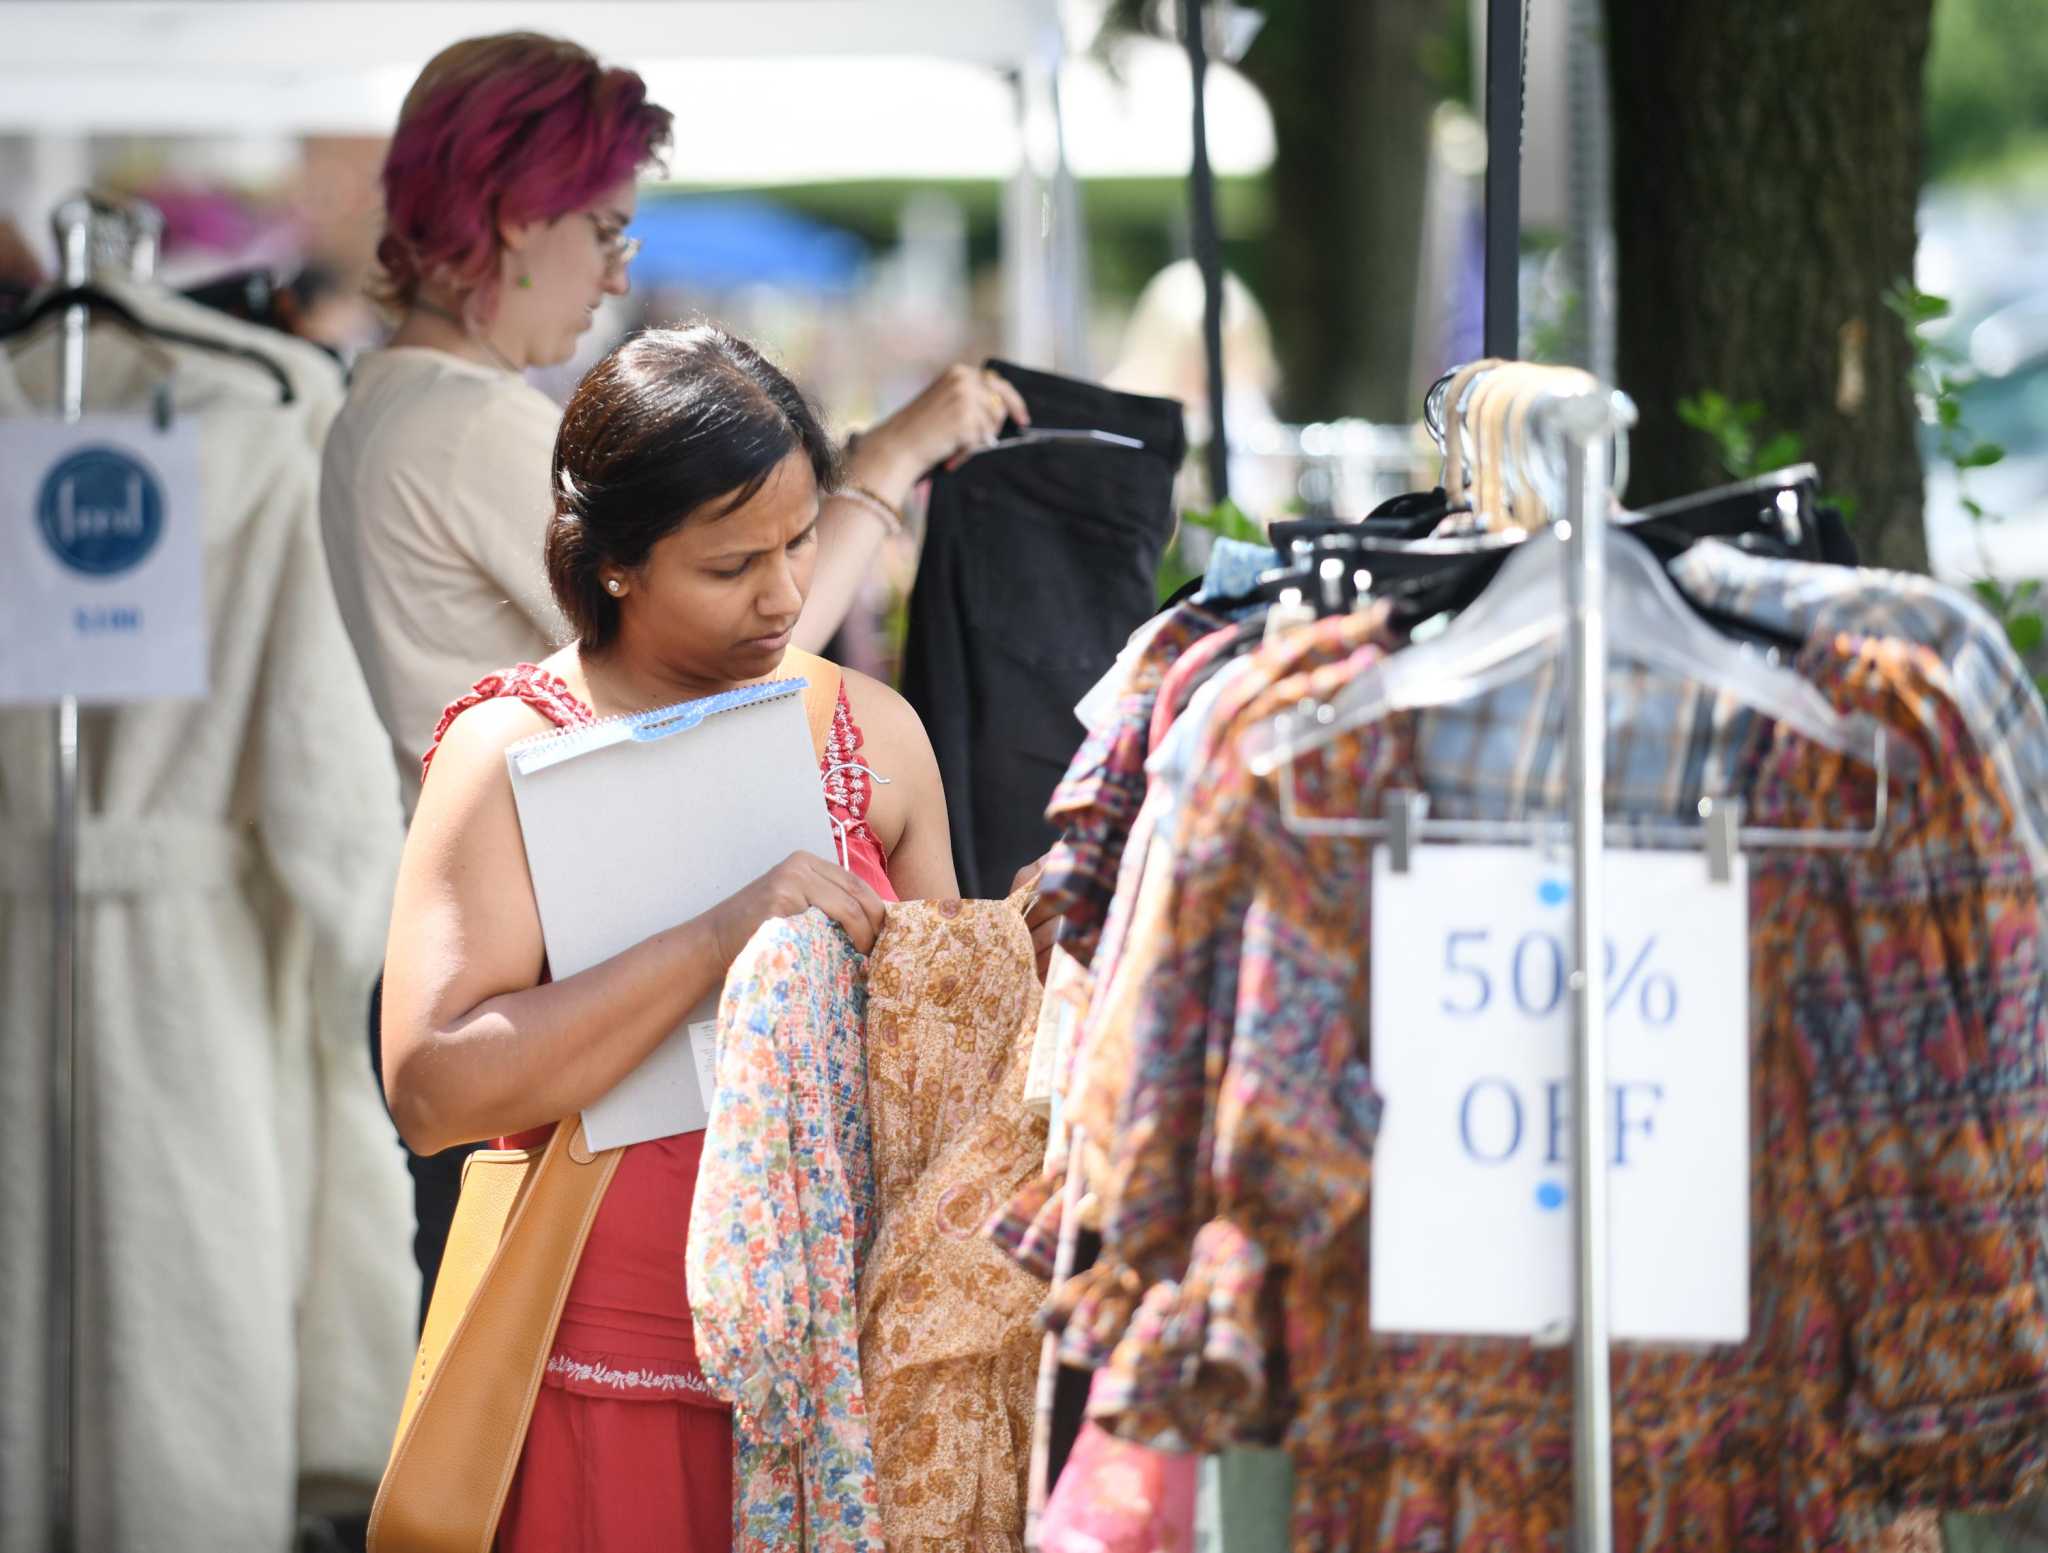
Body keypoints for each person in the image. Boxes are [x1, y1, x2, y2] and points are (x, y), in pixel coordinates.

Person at [319, 30, 1027, 1317]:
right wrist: (885, 465)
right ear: (506, 218)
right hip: (566, 987)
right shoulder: (468, 422)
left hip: (535, 960)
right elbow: (749, 667)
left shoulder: (382, 401)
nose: (612, 270)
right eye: (600, 227)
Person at [381, 323, 948, 1546]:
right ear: (617, 563)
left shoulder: (875, 734)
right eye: (731, 562)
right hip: (597, 1368)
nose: (787, 593)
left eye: (801, 542)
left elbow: (941, 1074)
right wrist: (715, 940)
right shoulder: (508, 751)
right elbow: (430, 1088)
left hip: (844, 1375)